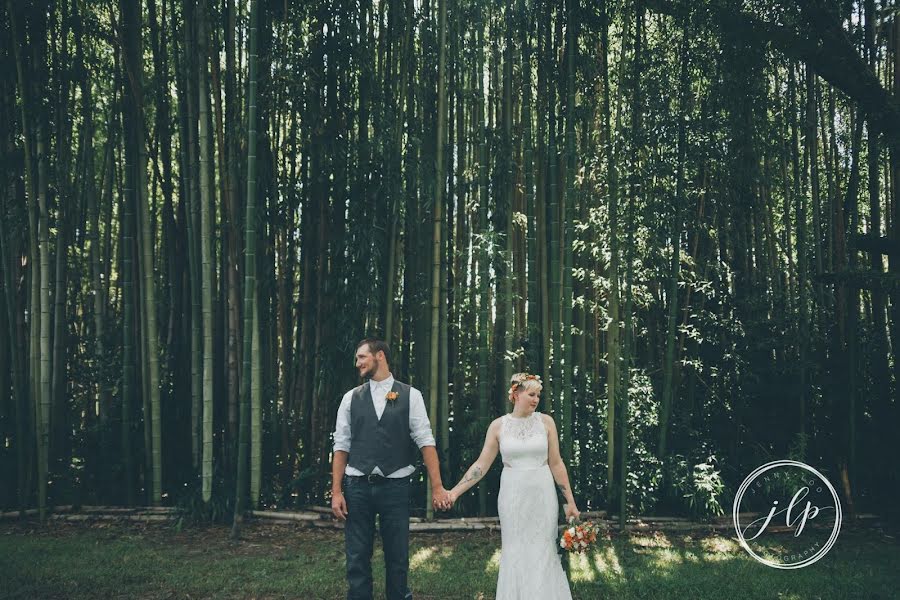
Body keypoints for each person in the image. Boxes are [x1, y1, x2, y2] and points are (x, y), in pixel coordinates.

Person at [331, 337, 452, 600]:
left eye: (362, 357)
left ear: (380, 356)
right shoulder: (350, 398)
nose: (358, 363)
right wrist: (336, 491)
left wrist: (438, 486)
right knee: (356, 557)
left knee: (397, 557)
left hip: (395, 487)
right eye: (357, 359)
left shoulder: (411, 395)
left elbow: (426, 441)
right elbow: (341, 445)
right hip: (357, 487)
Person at [448, 372, 578, 600]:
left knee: (542, 547)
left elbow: (556, 464)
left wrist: (570, 502)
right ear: (515, 394)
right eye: (531, 394)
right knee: (515, 548)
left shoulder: (546, 422)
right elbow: (481, 465)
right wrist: (455, 492)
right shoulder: (498, 426)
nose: (536, 399)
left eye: (538, 395)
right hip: (513, 496)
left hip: (542, 494)